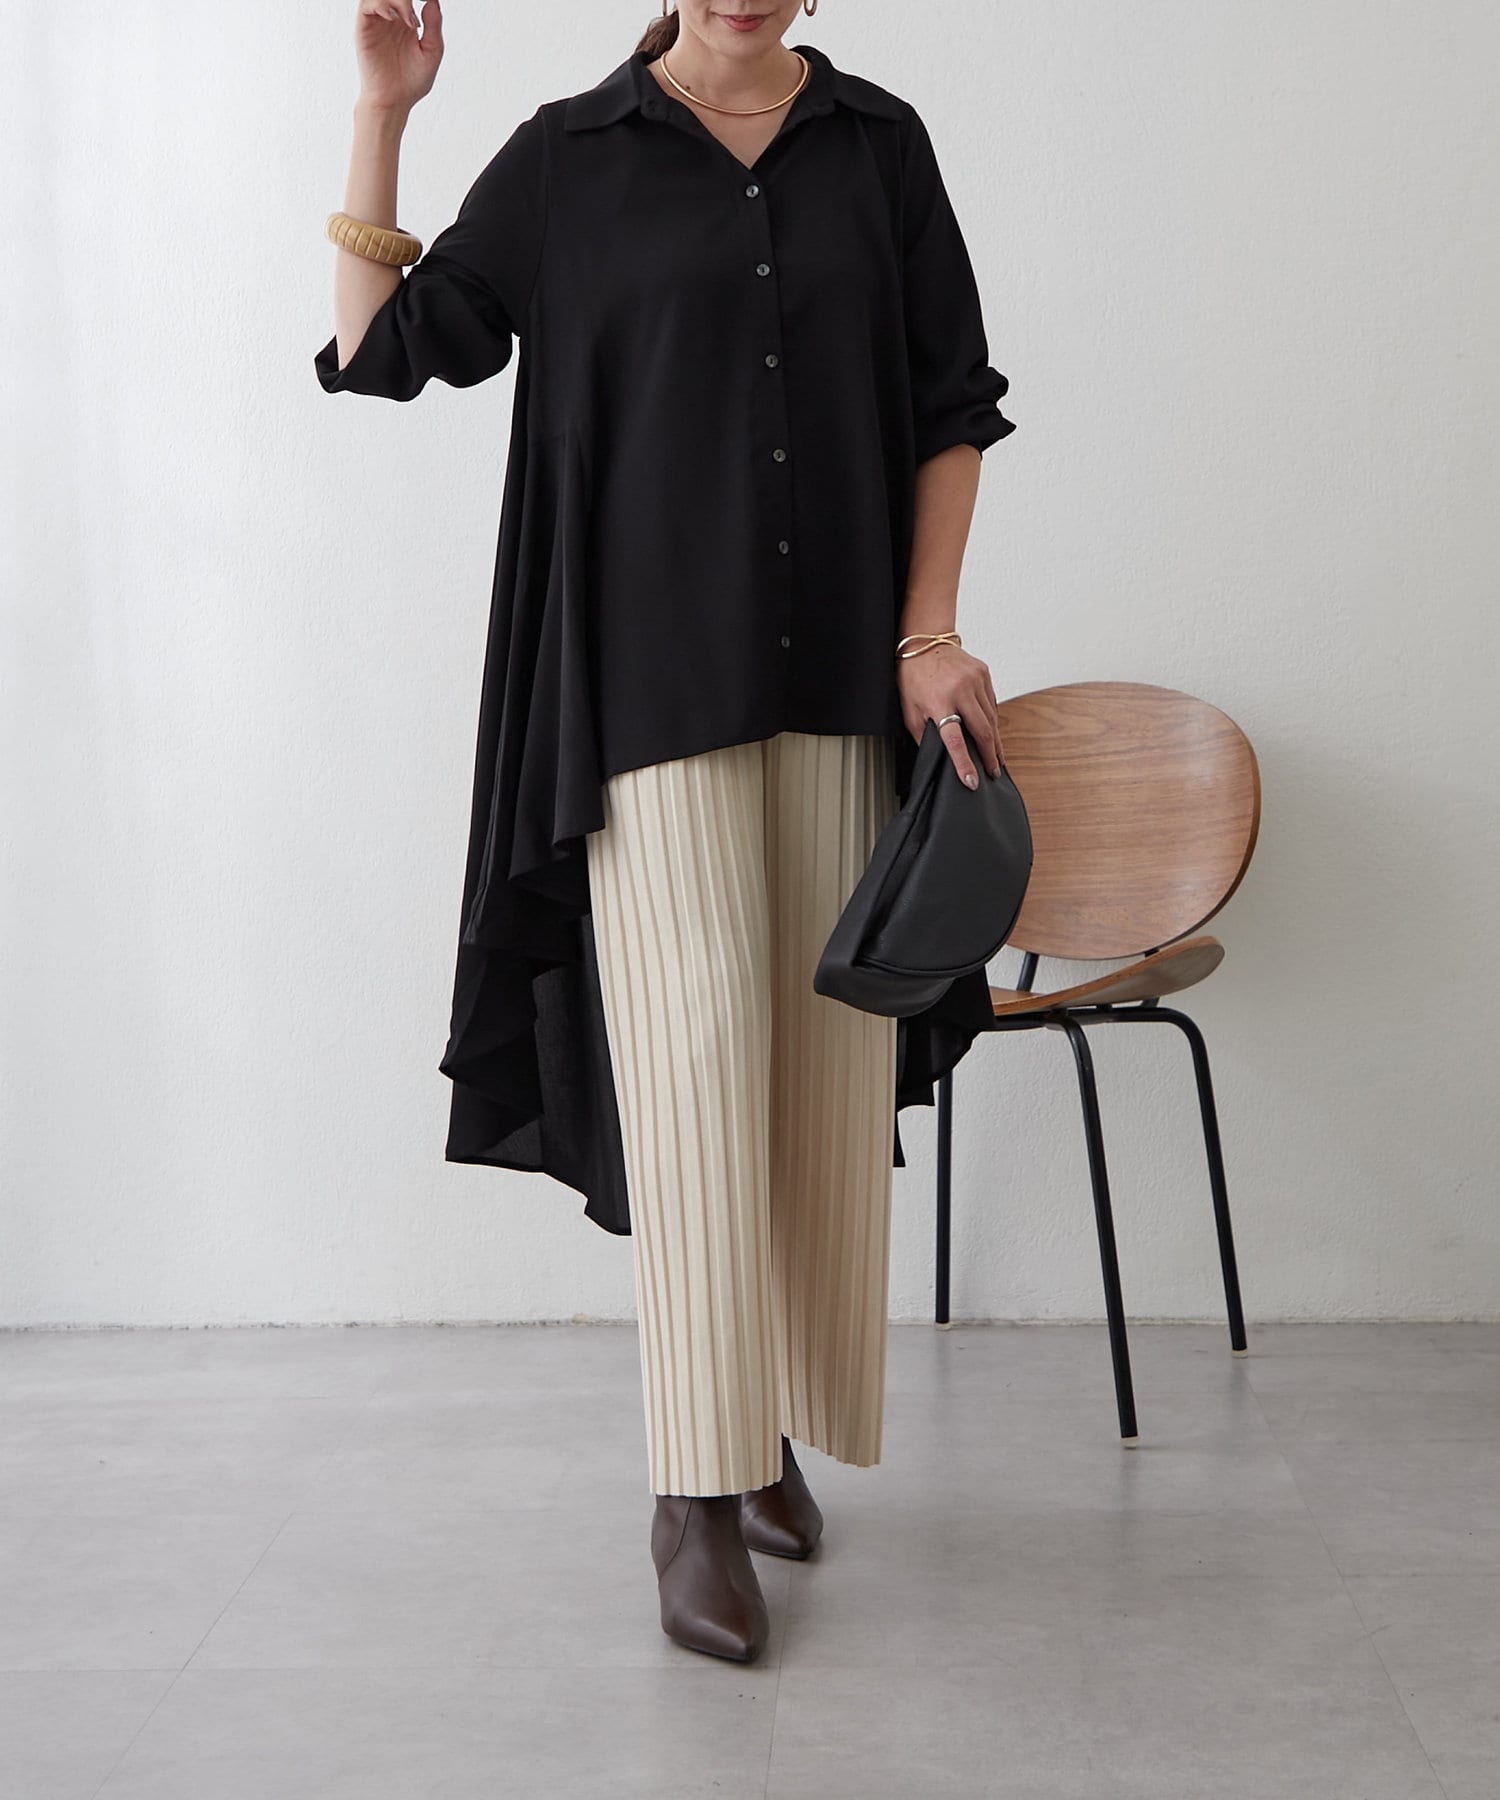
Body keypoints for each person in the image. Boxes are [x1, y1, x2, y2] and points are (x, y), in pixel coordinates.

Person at [315, 0, 1016, 1664]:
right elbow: (383, 349)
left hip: (840, 680)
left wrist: (929, 631)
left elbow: (952, 404)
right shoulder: (572, 158)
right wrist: (383, 113)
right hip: (644, 690)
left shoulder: (880, 147)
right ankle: (692, 1491)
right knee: (696, 1061)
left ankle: (766, 1430)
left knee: (818, 1070)